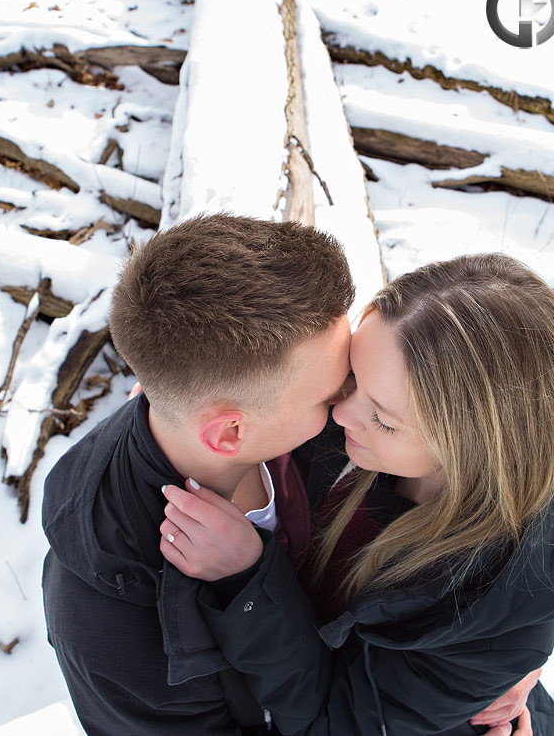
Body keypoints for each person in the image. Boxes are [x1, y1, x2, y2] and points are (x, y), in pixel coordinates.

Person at [159, 253, 554, 735]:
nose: (341, 414)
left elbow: (336, 724)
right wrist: (193, 392)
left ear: (474, 445)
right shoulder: (396, 406)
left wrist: (245, 583)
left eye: (383, 418)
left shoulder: (481, 612)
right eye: (351, 378)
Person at [40, 213, 356, 734]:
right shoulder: (109, 619)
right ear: (230, 434)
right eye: (332, 394)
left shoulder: (314, 418)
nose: (354, 399)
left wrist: (491, 666)